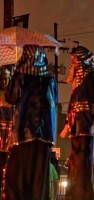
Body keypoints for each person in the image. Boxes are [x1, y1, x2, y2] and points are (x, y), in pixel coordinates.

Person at [4, 45, 58, 199]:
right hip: (45, 137)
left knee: (16, 176)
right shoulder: (51, 79)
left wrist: (15, 73)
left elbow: (10, 97)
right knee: (38, 179)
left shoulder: (21, 75)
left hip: (23, 134)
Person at [60, 45, 94, 200]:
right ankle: (73, 194)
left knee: (83, 163)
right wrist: (67, 124)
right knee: (74, 161)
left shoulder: (91, 76)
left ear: (80, 60)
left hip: (87, 124)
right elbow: (72, 105)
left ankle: (83, 195)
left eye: (74, 59)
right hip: (76, 125)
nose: (72, 62)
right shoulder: (77, 85)